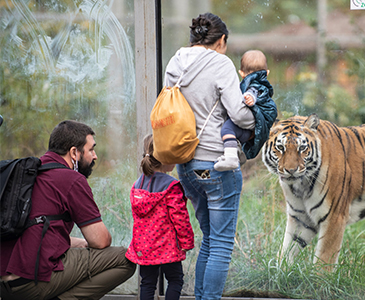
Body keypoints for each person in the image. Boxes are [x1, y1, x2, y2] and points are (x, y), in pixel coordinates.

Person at [164, 12, 255, 300]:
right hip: (216, 165)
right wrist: (260, 116)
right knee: (221, 243)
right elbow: (239, 114)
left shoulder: (174, 63)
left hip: (187, 166)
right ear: (222, 40)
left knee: (209, 239)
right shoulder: (220, 63)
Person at [0, 120, 136, 300]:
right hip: (31, 282)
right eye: (91, 149)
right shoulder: (71, 179)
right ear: (74, 152)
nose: (95, 156)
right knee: (125, 259)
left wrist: (81, 243)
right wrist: (90, 243)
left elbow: (38, 231)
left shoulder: (28, 175)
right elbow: (101, 240)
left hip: (4, 283)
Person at [126, 134, 194, 300]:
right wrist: (186, 242)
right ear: (164, 156)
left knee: (147, 283)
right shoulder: (171, 186)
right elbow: (180, 218)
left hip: (145, 247)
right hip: (168, 247)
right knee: (175, 280)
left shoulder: (137, 186)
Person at [214, 49, 277, 171]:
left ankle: (231, 157)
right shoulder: (264, 84)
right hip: (249, 131)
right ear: (267, 73)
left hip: (244, 128)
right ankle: (237, 155)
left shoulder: (251, 85)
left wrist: (250, 98)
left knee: (227, 129)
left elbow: (253, 92)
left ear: (241, 73)